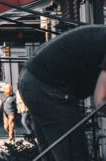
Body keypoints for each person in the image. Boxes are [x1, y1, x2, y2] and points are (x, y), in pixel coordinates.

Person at [20, 24, 106, 161]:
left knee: (52, 156)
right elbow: (100, 101)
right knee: (74, 155)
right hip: (48, 88)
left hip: (35, 80)